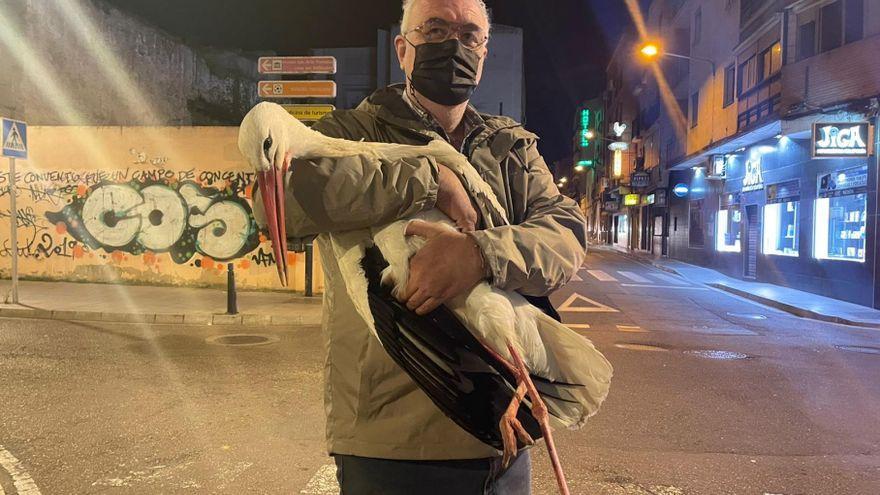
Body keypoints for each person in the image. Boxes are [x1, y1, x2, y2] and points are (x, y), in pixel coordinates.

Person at [274, 0, 586, 492]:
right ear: (403, 49)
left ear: (485, 53)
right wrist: (427, 178)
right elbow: (283, 202)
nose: (454, 46)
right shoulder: (348, 133)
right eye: (435, 29)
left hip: (503, 429)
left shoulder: (511, 148)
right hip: (393, 437)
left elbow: (565, 235)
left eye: (469, 35)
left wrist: (479, 254)